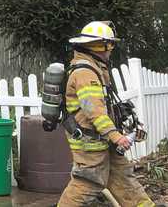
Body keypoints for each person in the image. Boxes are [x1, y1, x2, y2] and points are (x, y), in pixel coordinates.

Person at [56, 22, 153, 207]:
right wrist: (115, 136)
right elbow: (94, 110)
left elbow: (103, 105)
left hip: (102, 138)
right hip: (90, 142)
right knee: (87, 183)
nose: (111, 50)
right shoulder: (85, 73)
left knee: (123, 178)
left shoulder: (95, 68)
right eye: (110, 45)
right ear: (102, 46)